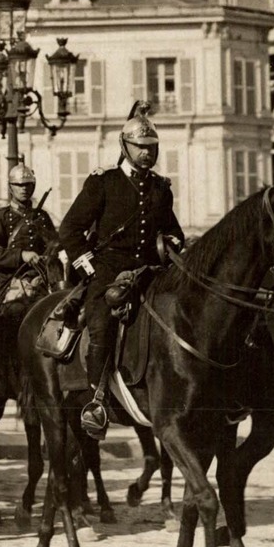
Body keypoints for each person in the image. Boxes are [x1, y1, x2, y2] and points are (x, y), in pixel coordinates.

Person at [58, 102, 185, 438]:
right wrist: (89, 267)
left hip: (152, 273)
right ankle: (97, 401)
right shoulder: (104, 182)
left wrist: (171, 240)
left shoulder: (160, 188)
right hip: (108, 270)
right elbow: (70, 229)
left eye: (151, 147)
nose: (147, 153)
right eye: (140, 147)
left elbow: (174, 231)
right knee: (101, 325)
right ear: (125, 147)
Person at [0, 163, 57, 304]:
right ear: (10, 187)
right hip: (10, 283)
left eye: (27, 185)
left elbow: (53, 247)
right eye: (18, 185)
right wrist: (21, 255)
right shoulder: (1, 217)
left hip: (39, 280)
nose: (23, 188)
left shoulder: (42, 217)